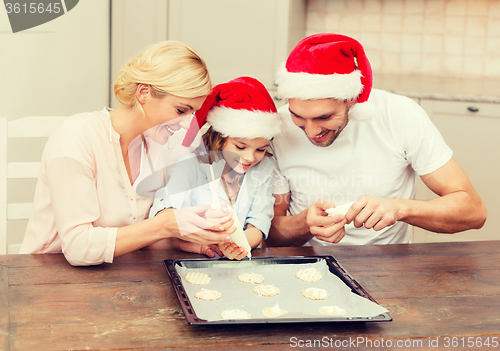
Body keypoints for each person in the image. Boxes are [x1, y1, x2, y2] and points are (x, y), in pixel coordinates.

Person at [20, 41, 235, 266]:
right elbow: (78, 247)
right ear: (144, 92)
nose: (186, 124)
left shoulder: (158, 146)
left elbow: (137, 236)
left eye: (193, 112)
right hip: (46, 279)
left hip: (118, 275)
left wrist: (190, 240)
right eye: (181, 110)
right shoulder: (76, 137)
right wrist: (164, 224)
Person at [266, 33, 487, 247]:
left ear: (352, 99)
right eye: (298, 116)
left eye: (324, 117)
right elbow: (269, 232)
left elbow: (473, 211)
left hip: (386, 264)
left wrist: (400, 209)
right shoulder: (278, 127)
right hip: (308, 264)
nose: (312, 131)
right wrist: (305, 223)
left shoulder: (399, 114)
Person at [150, 77, 283, 260]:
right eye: (240, 147)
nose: (250, 157)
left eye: (260, 149)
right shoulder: (190, 166)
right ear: (219, 138)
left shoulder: (264, 168)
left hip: (238, 259)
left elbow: (259, 222)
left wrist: (237, 245)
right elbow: (164, 211)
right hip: (189, 260)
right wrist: (198, 240)